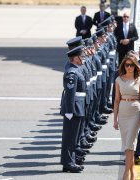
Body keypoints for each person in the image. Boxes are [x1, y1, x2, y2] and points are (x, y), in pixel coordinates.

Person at [113, 56, 140, 180]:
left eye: (131, 65)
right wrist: (115, 120)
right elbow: (116, 101)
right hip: (123, 111)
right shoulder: (118, 80)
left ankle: (126, 173)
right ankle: (132, 171)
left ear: (135, 66)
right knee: (126, 143)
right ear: (123, 66)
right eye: (126, 65)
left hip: (136, 111)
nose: (129, 67)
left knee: (130, 143)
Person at [60, 45, 86, 173]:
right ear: (75, 58)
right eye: (81, 56)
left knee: (74, 137)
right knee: (70, 137)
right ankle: (68, 162)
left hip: (78, 106)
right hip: (73, 108)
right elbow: (70, 94)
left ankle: (70, 161)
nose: (83, 58)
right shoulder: (72, 72)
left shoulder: (76, 69)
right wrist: (69, 111)